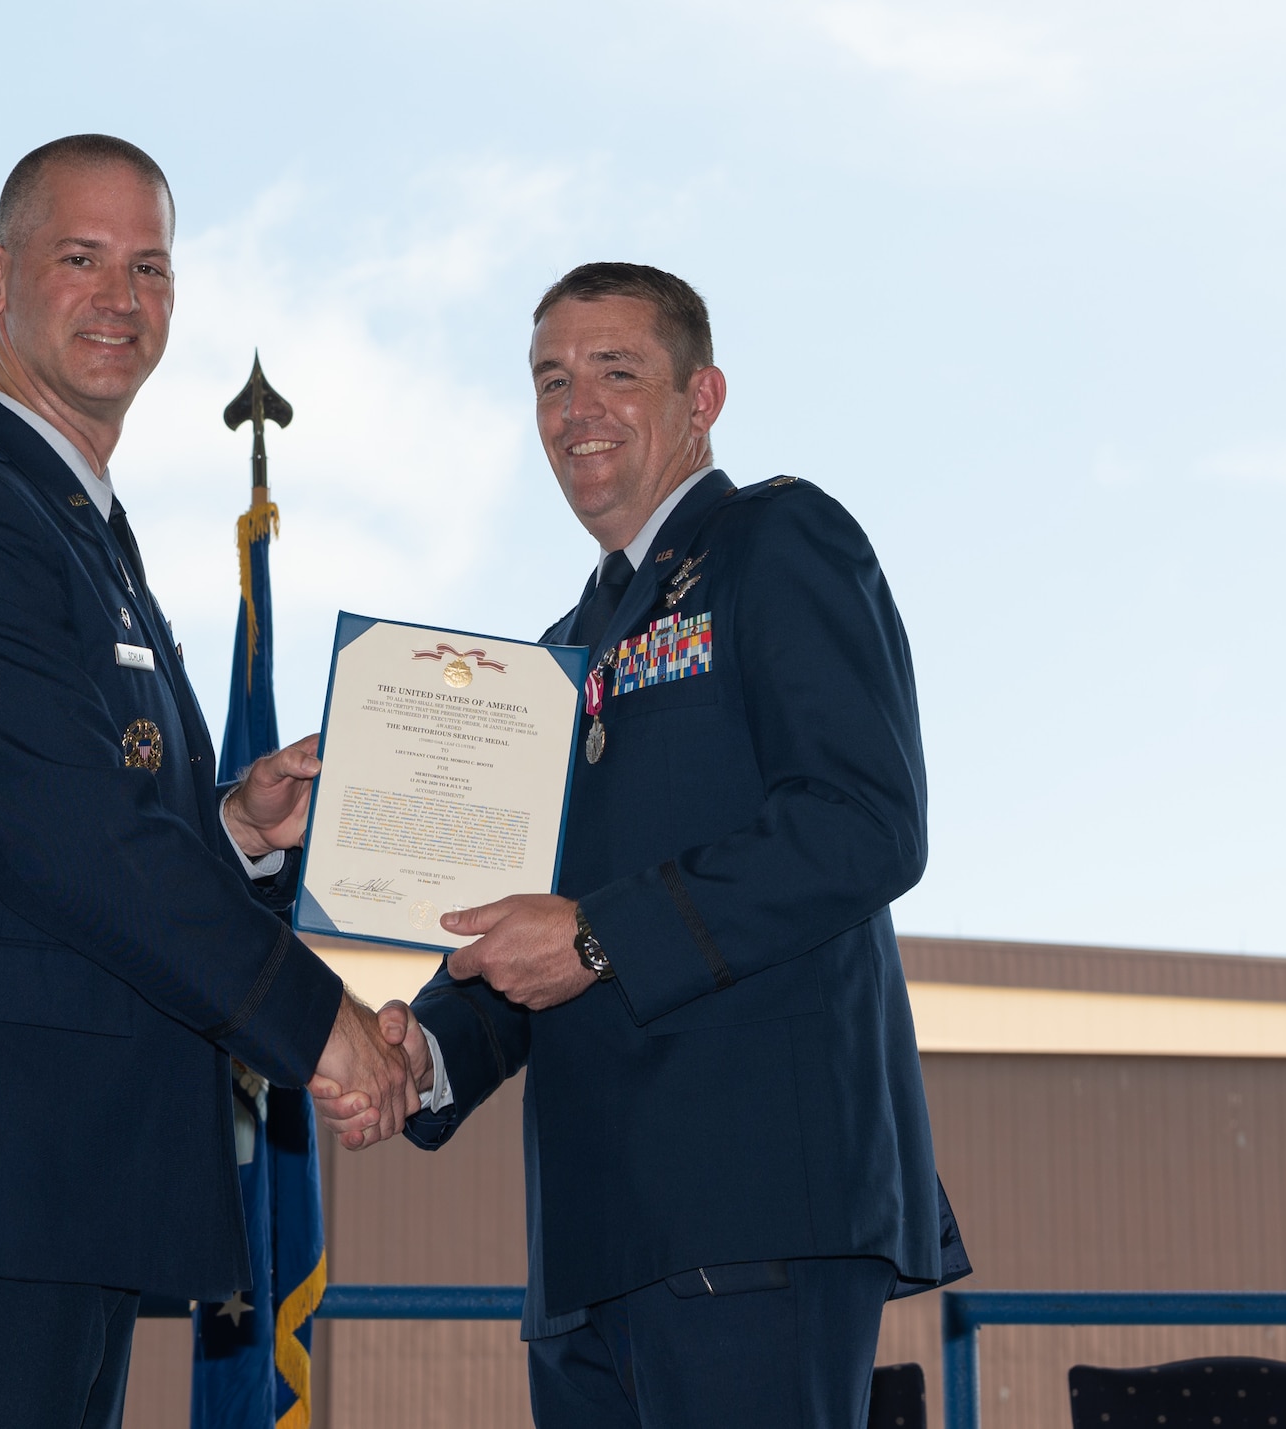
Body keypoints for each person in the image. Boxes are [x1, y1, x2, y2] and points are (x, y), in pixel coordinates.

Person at [0, 134, 414, 1429]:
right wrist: (320, 1024)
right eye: (81, 258)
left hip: (54, 1192)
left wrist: (234, 827)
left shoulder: (72, 529)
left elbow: (91, 817)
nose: (121, 298)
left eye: (150, 267)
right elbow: (76, 844)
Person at [316, 262, 969, 1427]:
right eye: (551, 382)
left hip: (752, 1206)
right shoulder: (556, 653)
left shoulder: (777, 540)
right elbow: (533, 932)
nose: (578, 411)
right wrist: (425, 1052)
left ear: (701, 395)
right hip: (587, 1241)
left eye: (616, 372)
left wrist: (599, 936)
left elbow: (864, 819)